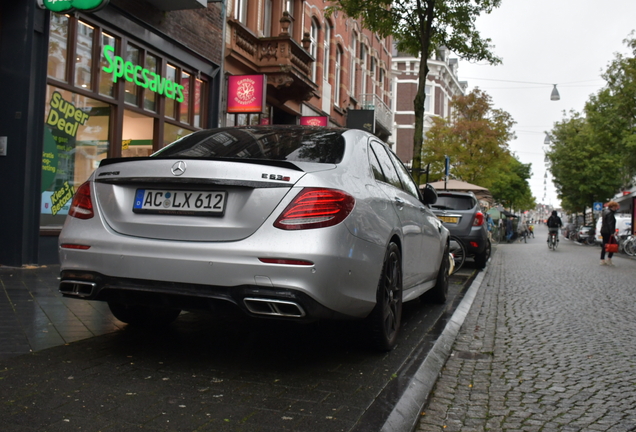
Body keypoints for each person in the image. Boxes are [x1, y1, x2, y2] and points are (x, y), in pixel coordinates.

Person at [600, 201, 620, 266]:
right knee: (614, 244)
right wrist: (612, 232)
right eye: (615, 207)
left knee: (604, 245)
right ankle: (609, 259)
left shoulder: (605, 212)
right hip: (608, 232)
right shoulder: (610, 213)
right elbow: (610, 223)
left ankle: (602, 259)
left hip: (603, 231)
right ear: (612, 206)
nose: (616, 208)